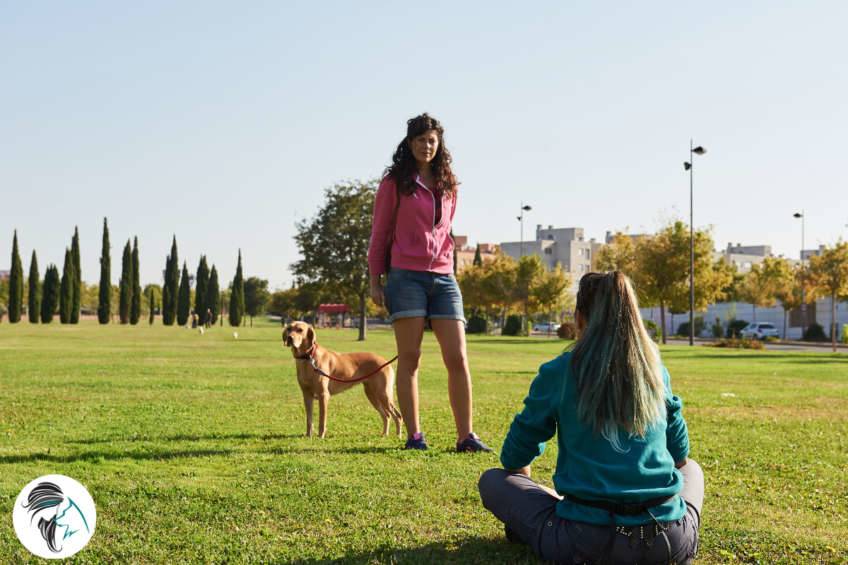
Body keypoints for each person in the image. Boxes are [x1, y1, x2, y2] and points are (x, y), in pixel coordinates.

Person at [478, 272, 703, 563]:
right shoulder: (655, 372)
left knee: (493, 481)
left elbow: (513, 459)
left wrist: (529, 493)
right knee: (694, 471)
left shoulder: (560, 371)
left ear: (580, 318)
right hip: (666, 541)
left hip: (583, 542)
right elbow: (681, 457)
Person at [367, 113, 491, 453]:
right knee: (411, 358)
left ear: (440, 144)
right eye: (421, 140)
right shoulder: (394, 182)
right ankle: (414, 436)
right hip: (405, 276)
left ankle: (466, 436)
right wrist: (376, 280)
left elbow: (446, 230)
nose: (427, 146)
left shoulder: (448, 184)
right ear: (410, 143)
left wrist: (448, 264)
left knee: (458, 357)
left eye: (432, 140)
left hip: (444, 277)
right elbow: (380, 233)